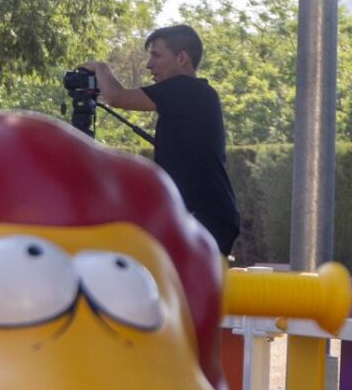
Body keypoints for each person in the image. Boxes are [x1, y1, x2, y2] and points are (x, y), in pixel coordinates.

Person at [84, 23, 240, 257]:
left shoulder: (186, 89)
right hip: (205, 216)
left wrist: (100, 68)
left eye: (156, 56)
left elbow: (117, 97)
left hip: (204, 216)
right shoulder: (195, 94)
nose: (149, 65)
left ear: (182, 58)